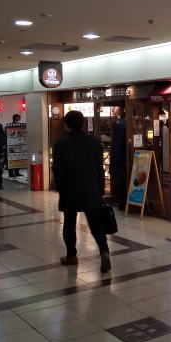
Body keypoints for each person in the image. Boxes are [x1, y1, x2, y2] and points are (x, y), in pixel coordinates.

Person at [53, 110, 111, 273]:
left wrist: (60, 187)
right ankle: (104, 251)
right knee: (95, 223)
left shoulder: (61, 143)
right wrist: (101, 190)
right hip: (91, 188)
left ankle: (71, 256)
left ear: (66, 124)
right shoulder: (94, 142)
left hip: (70, 189)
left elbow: (58, 170)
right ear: (83, 123)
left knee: (69, 222)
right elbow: (100, 169)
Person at [109, 112, 127, 210]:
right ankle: (122, 203)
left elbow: (116, 145)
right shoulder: (123, 125)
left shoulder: (121, 125)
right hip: (122, 160)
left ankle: (121, 203)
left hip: (119, 160)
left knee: (121, 182)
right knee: (123, 182)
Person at [7, 113, 22, 180]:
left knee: (17, 158)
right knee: (11, 158)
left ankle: (17, 172)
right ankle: (11, 173)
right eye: (17, 118)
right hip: (11, 144)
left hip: (17, 144)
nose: (18, 120)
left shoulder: (19, 125)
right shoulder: (10, 126)